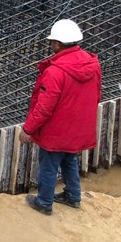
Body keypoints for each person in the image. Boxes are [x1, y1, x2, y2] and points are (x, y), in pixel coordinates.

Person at [19, 19, 102, 215]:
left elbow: (44, 107)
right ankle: (73, 196)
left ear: (57, 44)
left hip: (57, 130)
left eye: (52, 42)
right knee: (69, 160)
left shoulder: (55, 71)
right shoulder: (92, 64)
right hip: (78, 127)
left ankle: (44, 202)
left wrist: (28, 128)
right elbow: (97, 95)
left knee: (48, 166)